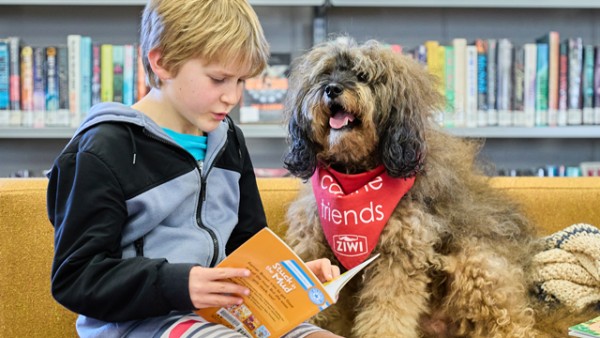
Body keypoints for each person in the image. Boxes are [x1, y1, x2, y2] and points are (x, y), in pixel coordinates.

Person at [46, 0, 342, 337]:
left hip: (231, 312)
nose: (232, 97)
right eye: (219, 79)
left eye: (241, 81)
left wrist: (291, 277)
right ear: (162, 62)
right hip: (141, 323)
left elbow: (249, 246)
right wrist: (180, 284)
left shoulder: (228, 140)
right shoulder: (103, 150)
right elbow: (76, 278)